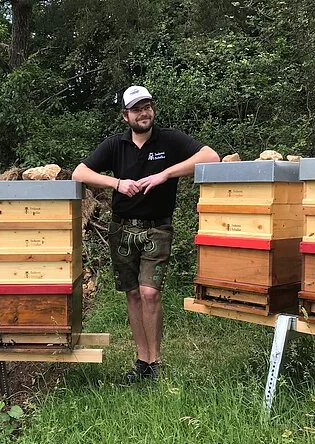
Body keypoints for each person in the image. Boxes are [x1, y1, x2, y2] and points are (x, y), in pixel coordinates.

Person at [72, 85, 220, 383]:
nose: (144, 113)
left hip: (157, 226)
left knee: (150, 293)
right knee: (132, 294)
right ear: (125, 115)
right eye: (137, 109)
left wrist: (166, 173)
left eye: (148, 106)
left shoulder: (170, 139)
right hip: (122, 228)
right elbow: (79, 173)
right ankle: (142, 361)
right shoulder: (115, 145)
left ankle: (156, 361)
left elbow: (211, 157)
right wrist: (116, 183)